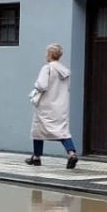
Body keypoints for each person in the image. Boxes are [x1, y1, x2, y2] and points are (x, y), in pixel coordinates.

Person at [28, 42, 79, 170]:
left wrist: (35, 86)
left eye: (47, 52)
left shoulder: (47, 68)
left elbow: (42, 85)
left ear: (50, 54)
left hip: (46, 105)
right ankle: (71, 154)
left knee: (38, 130)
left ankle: (37, 157)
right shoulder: (65, 71)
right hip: (61, 106)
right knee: (62, 131)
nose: (45, 55)